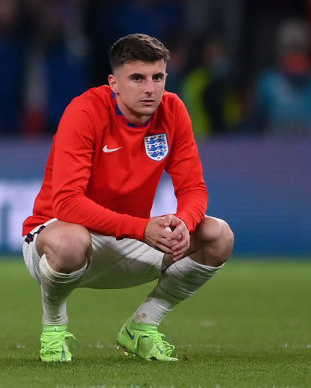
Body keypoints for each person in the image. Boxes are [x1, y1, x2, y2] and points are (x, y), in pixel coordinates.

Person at [22, 33, 234, 362]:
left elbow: (193, 188)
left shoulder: (173, 110)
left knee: (218, 235)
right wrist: (141, 228)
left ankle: (143, 326)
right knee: (69, 241)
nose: (150, 88)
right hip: (60, 238)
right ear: (114, 83)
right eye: (137, 78)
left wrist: (184, 221)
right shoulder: (85, 111)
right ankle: (54, 327)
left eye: (158, 77)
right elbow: (67, 204)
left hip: (129, 238)